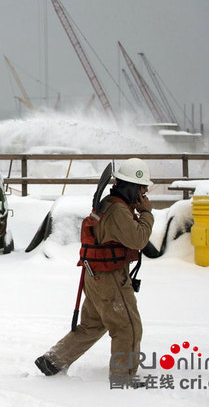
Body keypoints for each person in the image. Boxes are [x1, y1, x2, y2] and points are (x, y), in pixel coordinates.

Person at [35, 158, 154, 386]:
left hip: (95, 276)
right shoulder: (118, 211)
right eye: (142, 188)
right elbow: (138, 238)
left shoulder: (110, 203)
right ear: (131, 186)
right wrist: (147, 214)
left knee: (93, 325)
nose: (145, 192)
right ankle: (124, 378)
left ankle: (53, 360)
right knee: (127, 327)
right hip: (110, 279)